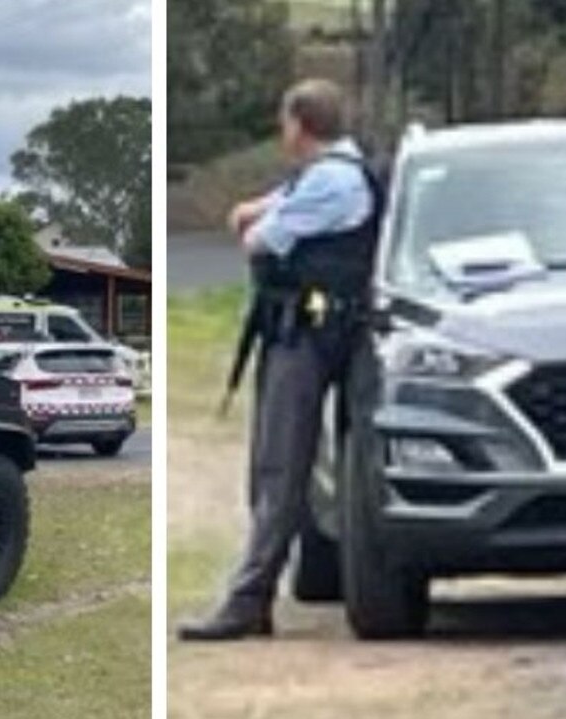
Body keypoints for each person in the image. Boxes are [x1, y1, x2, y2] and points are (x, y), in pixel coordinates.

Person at [178, 78, 382, 641]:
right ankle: (274, 587)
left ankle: (250, 597)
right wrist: (257, 209)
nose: (281, 131)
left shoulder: (329, 184)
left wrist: (255, 217)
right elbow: (267, 208)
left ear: (300, 125)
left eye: (284, 121)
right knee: (302, 465)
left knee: (279, 466)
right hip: (328, 328)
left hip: (309, 332)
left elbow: (258, 239)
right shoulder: (335, 175)